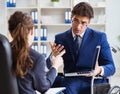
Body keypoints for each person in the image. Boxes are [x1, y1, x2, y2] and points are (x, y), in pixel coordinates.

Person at [46, 2, 116, 94]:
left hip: (93, 81)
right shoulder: (61, 38)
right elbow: (48, 65)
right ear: (71, 17)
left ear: (89, 22)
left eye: (83, 23)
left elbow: (111, 67)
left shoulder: (99, 37)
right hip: (70, 82)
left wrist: (99, 70)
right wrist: (53, 58)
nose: (78, 26)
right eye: (75, 20)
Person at [8, 11, 65, 94]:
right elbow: (43, 87)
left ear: (10, 31)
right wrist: (55, 66)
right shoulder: (37, 58)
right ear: (32, 31)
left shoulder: (3, 51)